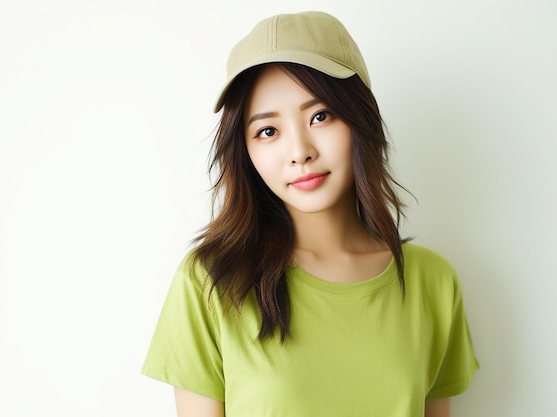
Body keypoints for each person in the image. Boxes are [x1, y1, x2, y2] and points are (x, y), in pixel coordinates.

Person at [142, 11, 479, 417]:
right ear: (245, 151)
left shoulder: (433, 283)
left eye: (320, 116)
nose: (299, 151)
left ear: (360, 120)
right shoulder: (211, 284)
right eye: (268, 131)